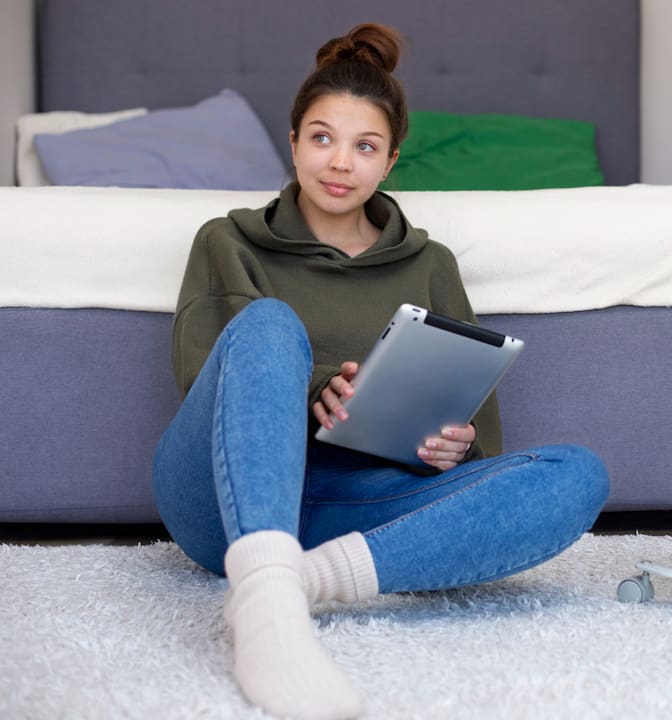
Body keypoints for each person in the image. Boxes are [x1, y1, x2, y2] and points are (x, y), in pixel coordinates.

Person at [151, 22, 610, 720]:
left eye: (365, 146)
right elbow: (206, 381)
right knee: (270, 325)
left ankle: (293, 584)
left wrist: (454, 445)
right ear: (295, 140)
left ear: (391, 160)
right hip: (217, 502)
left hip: (357, 505)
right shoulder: (228, 240)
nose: (340, 163)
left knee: (579, 474)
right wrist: (317, 393)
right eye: (322, 137)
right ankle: (271, 614)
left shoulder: (432, 265)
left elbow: (476, 419)